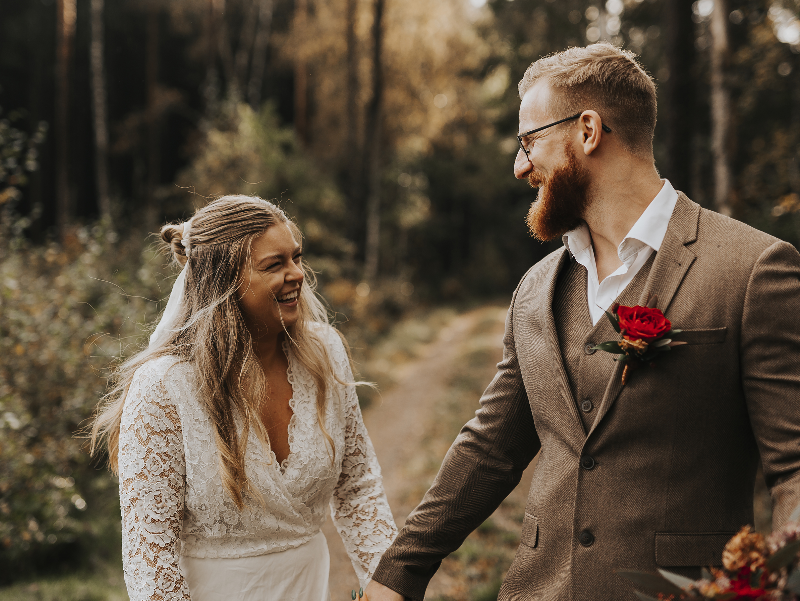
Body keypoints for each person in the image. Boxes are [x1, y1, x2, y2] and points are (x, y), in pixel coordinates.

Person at [366, 43, 800, 601]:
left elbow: (793, 466)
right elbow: (490, 449)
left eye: (529, 141)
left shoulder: (753, 270)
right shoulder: (535, 291)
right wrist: (398, 573)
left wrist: (782, 582)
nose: (520, 166)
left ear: (588, 131)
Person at [91, 195, 396, 601]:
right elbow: (151, 558)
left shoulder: (325, 355)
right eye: (274, 265)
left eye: (297, 258)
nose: (297, 274)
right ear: (224, 281)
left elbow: (357, 486)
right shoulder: (164, 386)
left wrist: (389, 583)